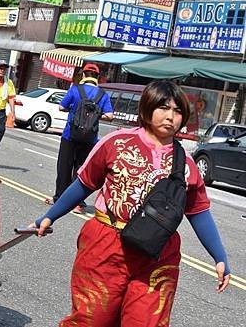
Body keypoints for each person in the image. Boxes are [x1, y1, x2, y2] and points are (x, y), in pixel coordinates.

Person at [31, 80, 230, 327]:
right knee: (91, 320)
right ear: (147, 109)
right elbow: (84, 183)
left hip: (158, 254)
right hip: (106, 245)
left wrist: (219, 256)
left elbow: (198, 211)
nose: (171, 117)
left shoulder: (187, 163)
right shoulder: (116, 143)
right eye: (163, 108)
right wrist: (50, 216)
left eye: (177, 111)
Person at [45, 63, 113, 213]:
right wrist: (96, 114)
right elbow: (110, 116)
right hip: (90, 139)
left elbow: (61, 107)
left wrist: (74, 109)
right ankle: (78, 203)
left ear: (83, 75)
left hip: (70, 135)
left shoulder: (75, 89)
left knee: (64, 168)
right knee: (81, 170)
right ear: (98, 78)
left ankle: (59, 199)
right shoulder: (103, 95)